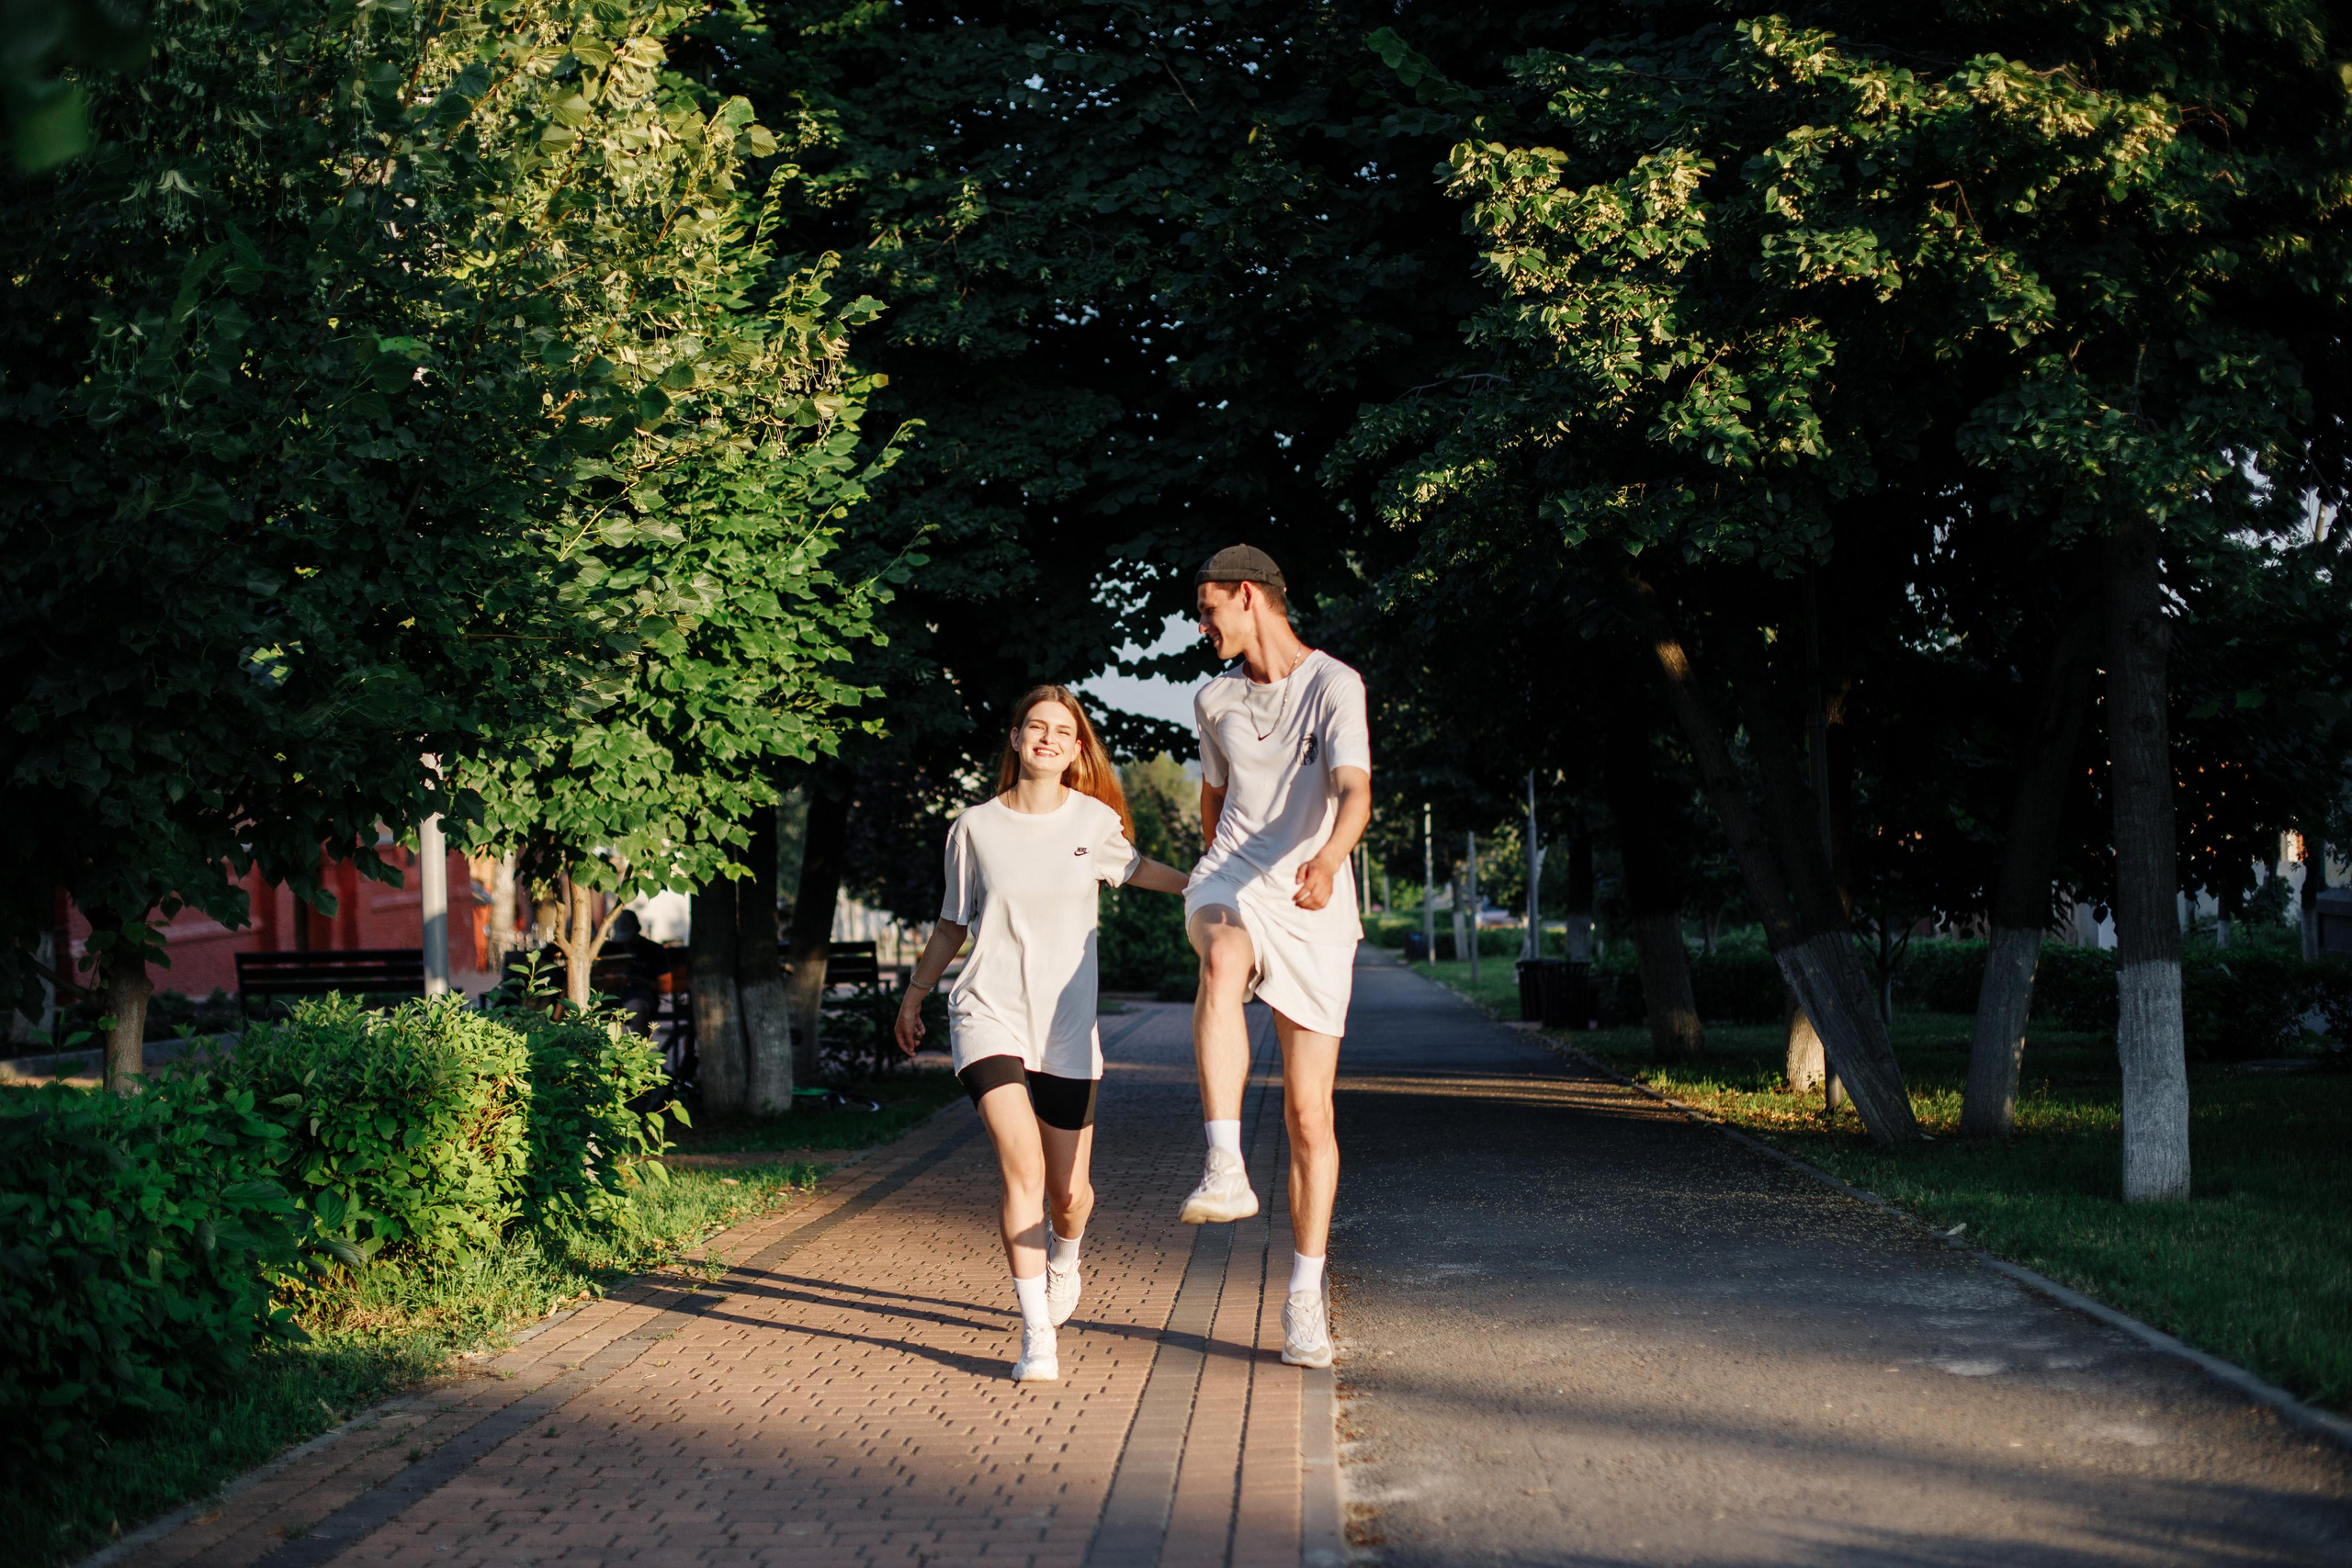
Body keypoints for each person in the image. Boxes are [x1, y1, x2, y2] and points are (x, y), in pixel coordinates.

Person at [895, 685, 1190, 1382]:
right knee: (1021, 1164)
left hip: (1063, 1030)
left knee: (1069, 1194)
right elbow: (949, 924)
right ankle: (1035, 1334)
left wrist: (1209, 882)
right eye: (1037, 726)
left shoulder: (1093, 820)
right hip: (986, 1013)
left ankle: (1065, 1255)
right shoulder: (973, 826)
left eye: (1064, 730)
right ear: (1016, 737)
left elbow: (1140, 869)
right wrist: (914, 997)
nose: (1050, 737)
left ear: (1077, 747)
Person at [1179, 544, 1371, 1371]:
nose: (1202, 624)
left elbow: (1356, 789)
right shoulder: (1212, 697)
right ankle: (1224, 1165)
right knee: (1221, 959)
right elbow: (1213, 798)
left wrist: (1328, 860)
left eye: (1209, 608)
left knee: (1308, 1118)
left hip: (1313, 896)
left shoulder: (1334, 684)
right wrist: (1213, 867)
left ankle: (1303, 1298)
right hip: (1231, 880)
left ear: (1248, 594)